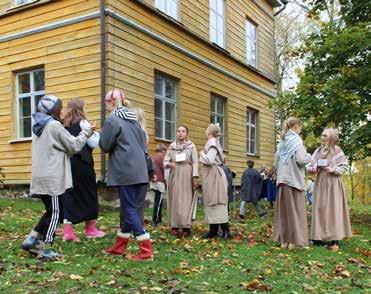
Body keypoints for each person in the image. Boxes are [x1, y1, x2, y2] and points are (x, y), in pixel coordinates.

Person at [22, 95, 93, 259]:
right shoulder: (54, 125)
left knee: (50, 211)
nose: (61, 110)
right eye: (59, 107)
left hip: (41, 176)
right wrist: (87, 132)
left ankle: (31, 238)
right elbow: (74, 146)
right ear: (54, 109)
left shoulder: (38, 126)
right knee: (56, 213)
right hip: (52, 178)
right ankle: (45, 247)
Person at [100, 89, 153, 261]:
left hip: (126, 171)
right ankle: (119, 246)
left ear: (113, 102)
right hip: (140, 171)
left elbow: (105, 146)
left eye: (106, 101)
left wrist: (97, 136)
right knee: (130, 208)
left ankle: (146, 249)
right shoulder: (134, 121)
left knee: (129, 208)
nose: (105, 105)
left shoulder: (113, 120)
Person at [62, 98, 105, 242]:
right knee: (89, 192)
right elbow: (93, 142)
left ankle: (68, 231)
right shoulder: (84, 123)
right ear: (81, 109)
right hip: (83, 162)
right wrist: (96, 133)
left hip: (69, 163)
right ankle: (90, 229)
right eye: (85, 107)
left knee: (70, 193)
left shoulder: (64, 124)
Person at [309, 128, 351, 251]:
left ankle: (334, 238)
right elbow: (311, 164)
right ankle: (318, 237)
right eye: (322, 135)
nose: (322, 137)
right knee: (320, 207)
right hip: (321, 180)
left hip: (333, 182)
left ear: (331, 137)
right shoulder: (318, 151)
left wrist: (334, 170)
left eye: (324, 135)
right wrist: (312, 168)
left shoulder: (337, 150)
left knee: (333, 208)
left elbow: (344, 165)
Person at [273, 117, 311, 250]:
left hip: (282, 181)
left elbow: (275, 163)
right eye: (300, 128)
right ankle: (295, 242)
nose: (300, 131)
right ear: (296, 127)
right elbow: (301, 159)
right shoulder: (296, 141)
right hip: (294, 181)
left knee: (284, 212)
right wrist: (309, 157)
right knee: (296, 211)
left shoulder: (281, 142)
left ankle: (284, 241)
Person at [164, 125, 199, 238]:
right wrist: (170, 164)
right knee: (175, 199)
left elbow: (195, 162)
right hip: (175, 174)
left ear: (186, 134)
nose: (180, 133)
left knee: (186, 199)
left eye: (183, 131)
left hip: (187, 173)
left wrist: (195, 176)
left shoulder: (191, 146)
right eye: (178, 131)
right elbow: (165, 161)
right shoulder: (172, 146)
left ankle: (186, 226)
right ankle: (174, 225)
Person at [200, 124, 230, 239]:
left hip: (214, 175)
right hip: (214, 174)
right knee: (213, 201)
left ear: (209, 132)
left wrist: (201, 153)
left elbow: (209, 160)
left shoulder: (212, 143)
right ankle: (213, 229)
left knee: (217, 200)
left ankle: (225, 230)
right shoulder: (215, 142)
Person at [150, 143, 167, 226]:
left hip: (153, 181)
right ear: (163, 150)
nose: (165, 152)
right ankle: (155, 220)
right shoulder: (162, 157)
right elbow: (165, 170)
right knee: (158, 201)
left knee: (159, 200)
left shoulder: (152, 156)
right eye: (165, 151)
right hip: (160, 181)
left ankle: (159, 218)